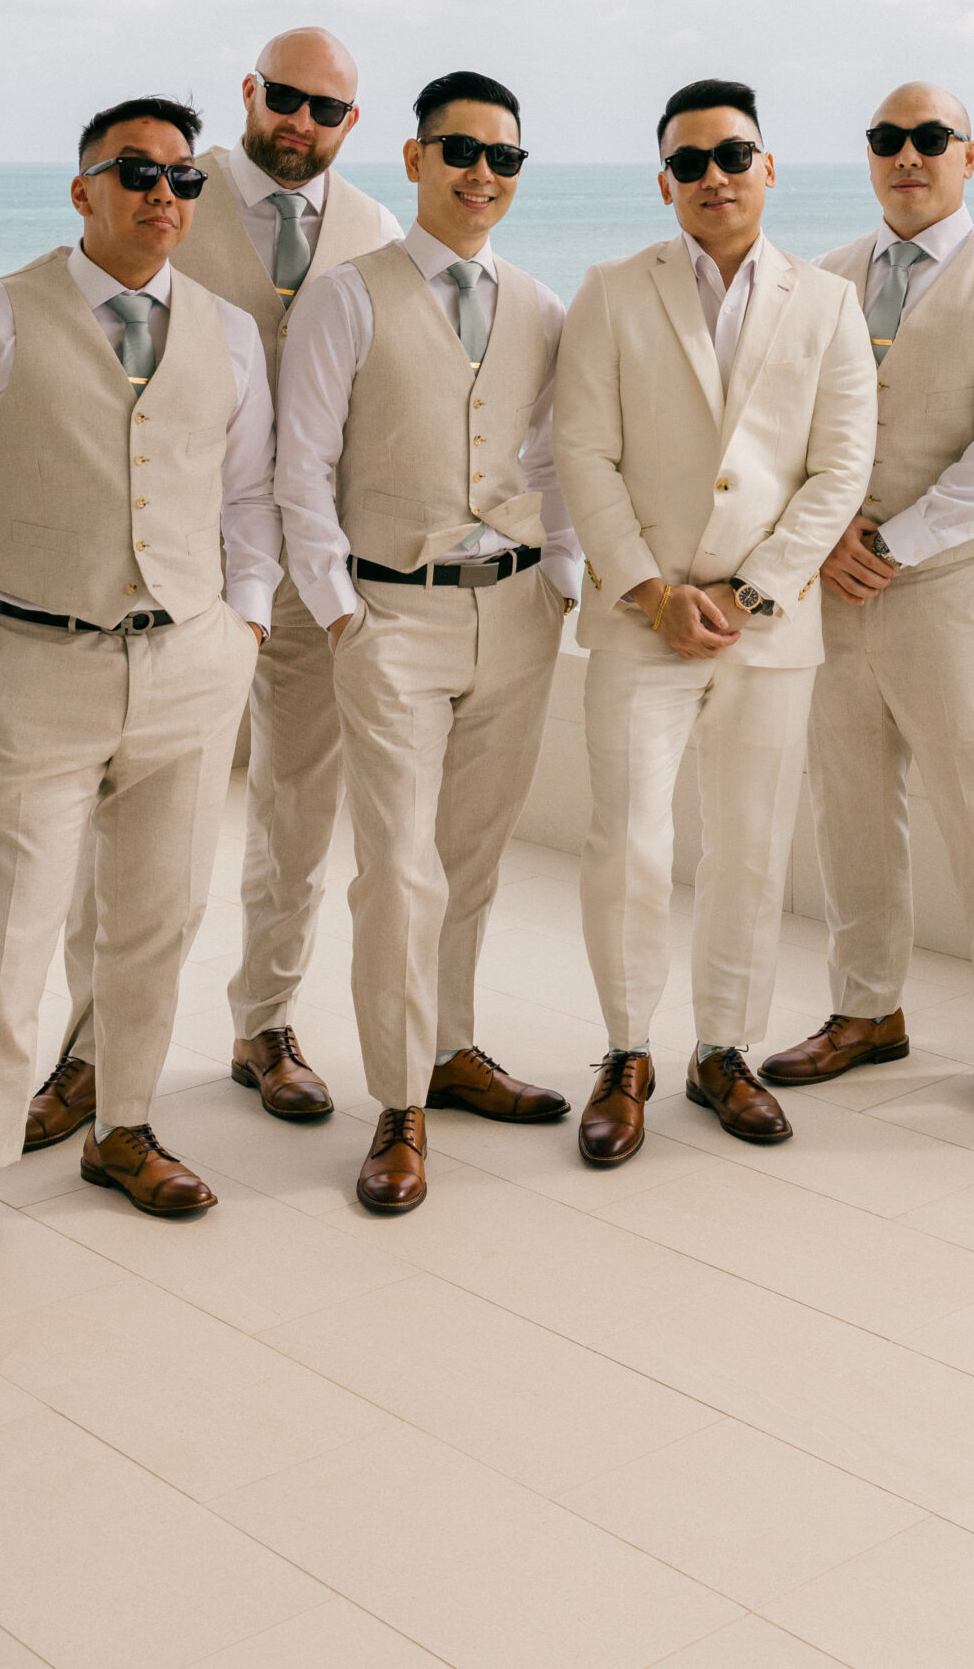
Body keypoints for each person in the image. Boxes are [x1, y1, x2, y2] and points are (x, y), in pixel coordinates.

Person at [0, 26, 400, 1139]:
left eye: (327, 110)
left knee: (295, 810)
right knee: (96, 847)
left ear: (351, 125)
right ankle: (88, 1055)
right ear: (250, 92)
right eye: (286, 98)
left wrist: (253, 607)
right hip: (147, 581)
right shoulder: (175, 183)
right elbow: (59, 321)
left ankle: (264, 1021)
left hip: (298, 571)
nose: (302, 123)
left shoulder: (374, 228)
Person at [0, 101, 279, 1296]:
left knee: (158, 920)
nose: (164, 194)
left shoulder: (231, 333)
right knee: (6, 937)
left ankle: (125, 1126)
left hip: (192, 671)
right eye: (137, 171)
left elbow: (248, 499)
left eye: (184, 177)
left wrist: (244, 622)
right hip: (34, 668)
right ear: (82, 189)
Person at [552, 79, 877, 1166]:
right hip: (640, 617)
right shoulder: (609, 291)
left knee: (751, 846)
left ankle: (724, 1050)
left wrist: (751, 592)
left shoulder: (829, 303)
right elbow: (582, 454)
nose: (714, 177)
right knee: (629, 842)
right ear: (664, 183)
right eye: (689, 163)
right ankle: (627, 1052)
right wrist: (651, 587)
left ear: (768, 168)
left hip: (769, 628)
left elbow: (839, 468)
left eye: (733, 155)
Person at [276, 71, 582, 1214]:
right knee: (397, 871)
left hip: (514, 614)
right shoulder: (347, 297)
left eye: (504, 158)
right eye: (460, 151)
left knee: (471, 859)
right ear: (413, 160)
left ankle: (452, 1050)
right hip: (388, 613)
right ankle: (399, 1102)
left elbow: (557, 461)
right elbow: (298, 470)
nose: (482, 176)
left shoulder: (542, 306)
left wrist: (559, 580)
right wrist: (343, 608)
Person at [761, 83, 974, 1130]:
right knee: (847, 801)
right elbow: (787, 429)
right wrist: (825, 541)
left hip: (947, 591)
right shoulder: (825, 278)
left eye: (930, 138)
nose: (909, 155)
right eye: (889, 139)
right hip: (833, 588)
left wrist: (895, 542)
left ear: (969, 155)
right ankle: (866, 1009)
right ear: (870, 156)